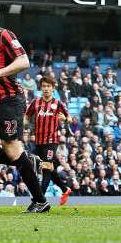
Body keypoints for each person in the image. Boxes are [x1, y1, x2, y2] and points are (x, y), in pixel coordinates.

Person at [0, 0, 49, 213]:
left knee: (11, 148)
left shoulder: (5, 35)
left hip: (9, 101)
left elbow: (24, 62)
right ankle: (26, 160)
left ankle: (40, 201)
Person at [25, 76, 72, 205]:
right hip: (38, 142)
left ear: (53, 88)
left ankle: (38, 201)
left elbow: (70, 118)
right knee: (49, 168)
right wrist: (23, 126)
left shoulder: (58, 103)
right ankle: (65, 189)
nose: (46, 89)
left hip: (51, 141)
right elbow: (27, 117)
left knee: (46, 168)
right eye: (44, 86)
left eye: (48, 86)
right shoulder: (36, 102)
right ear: (41, 88)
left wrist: (65, 119)